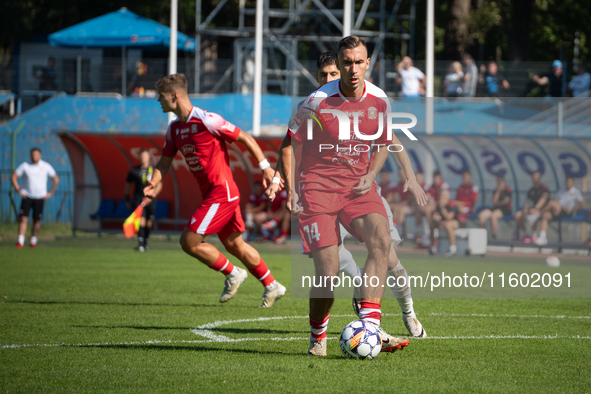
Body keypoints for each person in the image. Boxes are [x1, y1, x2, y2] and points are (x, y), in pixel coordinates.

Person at [267, 38, 428, 357]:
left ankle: (370, 326)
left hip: (359, 186)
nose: (352, 69)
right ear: (338, 65)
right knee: (327, 273)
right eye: (346, 63)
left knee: (382, 243)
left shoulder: (379, 100)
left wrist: (375, 173)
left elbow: (384, 141)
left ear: (368, 63)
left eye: (358, 62)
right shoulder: (315, 102)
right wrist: (291, 187)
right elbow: (289, 145)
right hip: (318, 189)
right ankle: (318, 337)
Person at [145, 73, 285, 308]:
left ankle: (232, 273)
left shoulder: (207, 120)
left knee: (189, 242)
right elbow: (164, 162)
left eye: (161, 96)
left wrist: (265, 169)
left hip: (222, 193)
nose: (158, 101)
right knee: (234, 245)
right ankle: (272, 285)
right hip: (214, 195)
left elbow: (245, 137)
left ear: (174, 96)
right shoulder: (174, 129)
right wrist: (153, 182)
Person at [11, 148, 59, 248]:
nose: (34, 156)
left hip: (40, 197)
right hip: (27, 196)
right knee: (23, 218)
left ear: (40, 155)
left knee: (36, 220)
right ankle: (20, 241)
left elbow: (56, 179)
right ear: (30, 155)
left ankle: (33, 241)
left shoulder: (45, 166)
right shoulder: (25, 165)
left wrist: (50, 192)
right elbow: (14, 177)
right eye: (33, 155)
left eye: (36, 155)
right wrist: (19, 190)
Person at [125, 148, 162, 251]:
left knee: (149, 221)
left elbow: (159, 185)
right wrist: (127, 197)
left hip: (151, 200)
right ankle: (140, 243)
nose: (143, 158)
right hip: (139, 199)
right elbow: (128, 184)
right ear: (138, 158)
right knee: (141, 220)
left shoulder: (154, 170)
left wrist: (151, 196)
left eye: (145, 156)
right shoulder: (134, 170)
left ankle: (146, 242)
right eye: (141, 156)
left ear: (149, 157)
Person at [535, 176, 585, 246]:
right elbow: (556, 201)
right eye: (567, 182)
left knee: (551, 203)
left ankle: (537, 214)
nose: (568, 183)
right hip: (557, 210)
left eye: (570, 182)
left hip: (566, 212)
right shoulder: (561, 191)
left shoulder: (576, 192)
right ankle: (542, 237)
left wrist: (572, 209)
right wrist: (560, 206)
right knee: (545, 215)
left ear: (572, 182)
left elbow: (582, 205)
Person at [513, 171, 549, 243]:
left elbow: (544, 199)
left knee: (534, 213)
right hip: (533, 209)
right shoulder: (531, 190)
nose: (535, 178)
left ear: (540, 177)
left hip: (543, 210)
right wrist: (525, 209)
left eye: (537, 176)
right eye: (534, 176)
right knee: (517, 215)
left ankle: (534, 235)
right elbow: (527, 202)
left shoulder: (544, 188)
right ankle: (525, 234)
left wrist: (536, 208)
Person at [429, 189, 466, 257]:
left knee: (448, 224)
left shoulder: (452, 204)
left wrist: (442, 207)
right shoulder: (439, 204)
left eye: (443, 196)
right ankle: (432, 248)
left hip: (458, 221)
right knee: (433, 224)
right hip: (444, 222)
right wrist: (436, 219)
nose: (441, 198)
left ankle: (453, 248)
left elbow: (449, 217)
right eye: (440, 196)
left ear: (447, 197)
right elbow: (435, 216)